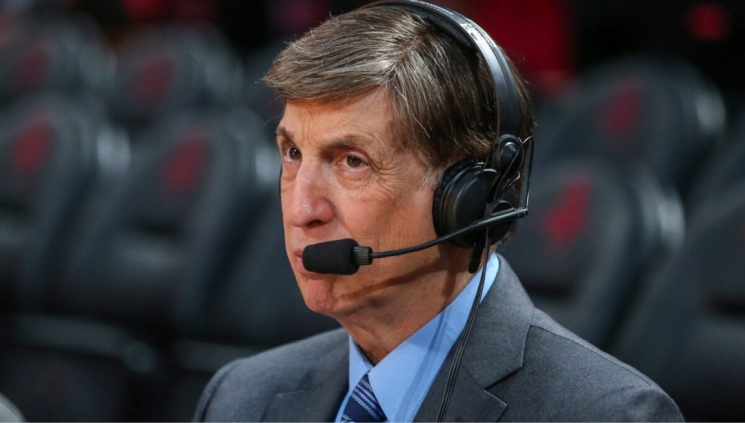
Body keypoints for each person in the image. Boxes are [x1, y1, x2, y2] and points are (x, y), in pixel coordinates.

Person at [193, 1, 683, 421]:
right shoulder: (241, 397)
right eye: (292, 153)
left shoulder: (604, 414)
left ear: (469, 198)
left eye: (352, 162)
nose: (302, 209)